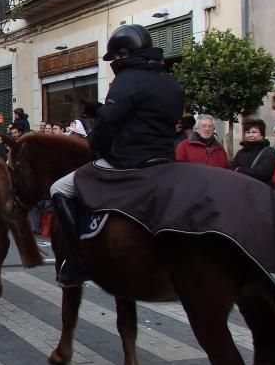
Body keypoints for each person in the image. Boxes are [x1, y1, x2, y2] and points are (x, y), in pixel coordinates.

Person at [50, 25, 184, 286]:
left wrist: (94, 146)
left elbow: (109, 125)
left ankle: (77, 261)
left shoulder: (127, 79)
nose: (115, 64)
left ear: (124, 53)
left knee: (59, 189)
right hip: (165, 160)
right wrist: (99, 109)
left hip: (127, 161)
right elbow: (142, 118)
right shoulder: (169, 81)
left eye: (116, 58)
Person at [230, 119, 275, 183]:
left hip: (260, 189)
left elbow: (261, 174)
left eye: (254, 132)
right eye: (248, 132)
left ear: (262, 135)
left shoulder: (269, 152)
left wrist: (239, 169)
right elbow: (232, 170)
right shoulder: (241, 152)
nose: (250, 135)